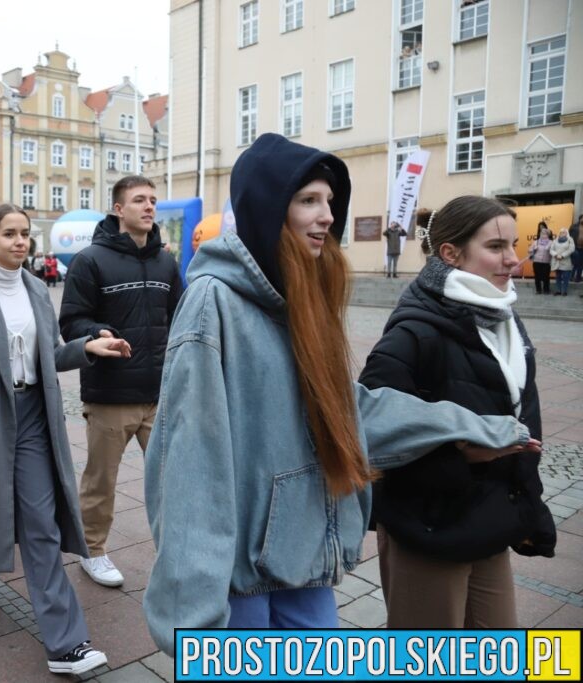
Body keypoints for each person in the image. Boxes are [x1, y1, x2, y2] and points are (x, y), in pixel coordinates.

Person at [141, 133, 538, 650]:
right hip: (239, 575)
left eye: (330, 201)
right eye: (308, 200)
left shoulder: (306, 297)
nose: (327, 215)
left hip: (304, 558)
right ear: (268, 208)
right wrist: (190, 609)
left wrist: (472, 427)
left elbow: (352, 411)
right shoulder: (214, 301)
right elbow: (192, 456)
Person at [0, 203, 130, 675]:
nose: (20, 241)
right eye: (9, 234)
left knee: (39, 525)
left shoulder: (37, 290)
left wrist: (87, 348)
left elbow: (47, 359)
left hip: (33, 420)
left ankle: (67, 644)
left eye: (25, 234)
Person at [359, 197, 556, 627]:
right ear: (450, 253)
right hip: (428, 527)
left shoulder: (504, 317)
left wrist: (527, 511)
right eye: (496, 247)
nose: (512, 259)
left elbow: (524, 417)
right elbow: (369, 426)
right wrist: (461, 454)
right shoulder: (416, 329)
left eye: (515, 244)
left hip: (489, 522)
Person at [59, 174, 183, 587]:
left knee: (173, 479)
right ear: (119, 209)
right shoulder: (90, 260)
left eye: (152, 200)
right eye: (139, 200)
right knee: (101, 481)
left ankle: (177, 550)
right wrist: (97, 335)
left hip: (160, 393)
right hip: (111, 393)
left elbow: (179, 316)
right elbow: (72, 320)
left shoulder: (166, 261)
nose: (149, 207)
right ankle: (92, 550)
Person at [528, 222, 552, 294]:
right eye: (542, 233)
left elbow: (553, 252)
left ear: (548, 235)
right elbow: (529, 250)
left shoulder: (551, 242)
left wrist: (549, 249)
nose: (543, 235)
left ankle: (546, 290)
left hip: (546, 262)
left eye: (545, 234)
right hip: (536, 261)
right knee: (537, 277)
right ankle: (538, 290)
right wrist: (533, 249)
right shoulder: (536, 242)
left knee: (546, 277)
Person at [550, 228, 574, 296]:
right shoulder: (555, 240)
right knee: (558, 277)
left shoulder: (570, 240)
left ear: (567, 233)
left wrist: (563, 256)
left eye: (564, 232)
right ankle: (558, 291)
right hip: (557, 261)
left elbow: (571, 249)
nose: (562, 233)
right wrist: (555, 255)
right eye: (561, 232)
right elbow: (551, 249)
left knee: (566, 278)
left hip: (566, 262)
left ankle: (564, 291)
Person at [570, 214, 582, 284]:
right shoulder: (574, 226)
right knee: (575, 263)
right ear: (580, 219)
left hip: (582, 248)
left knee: (581, 264)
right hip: (575, 247)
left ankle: (578, 277)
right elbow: (569, 235)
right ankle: (571, 277)